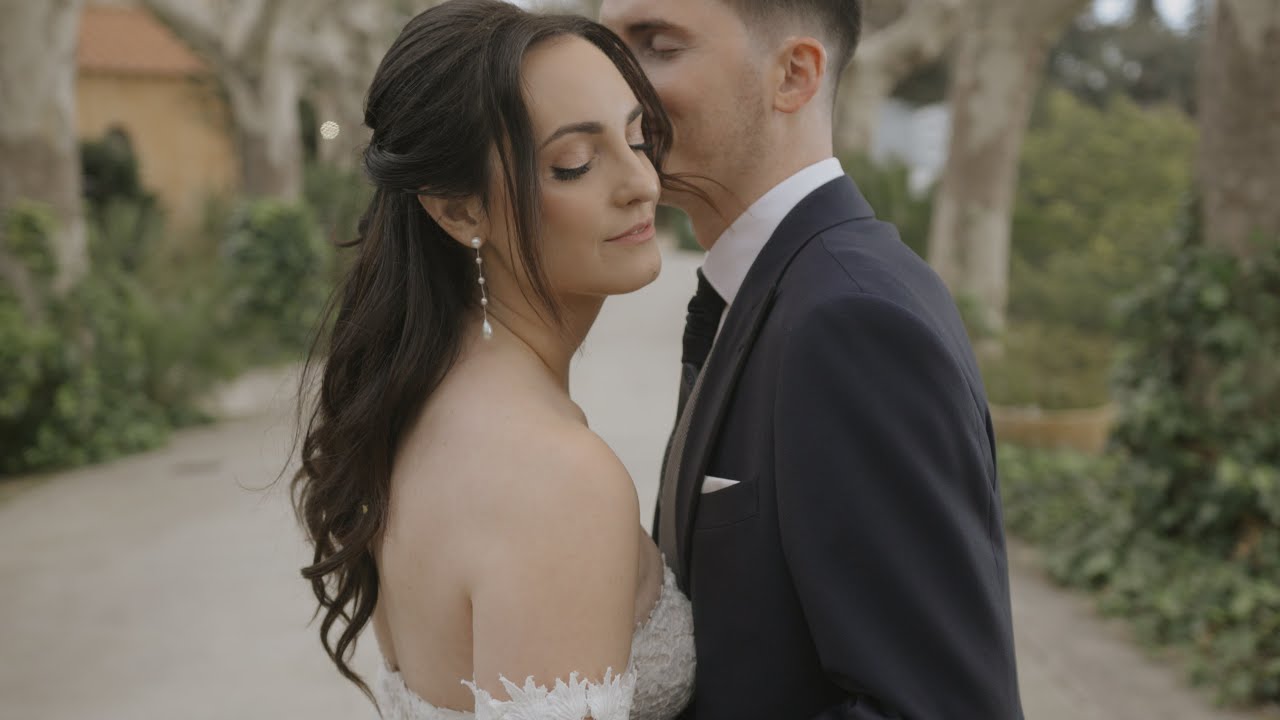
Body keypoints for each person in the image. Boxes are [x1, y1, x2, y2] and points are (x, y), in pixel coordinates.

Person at [600, 1, 1026, 718]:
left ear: (793, 75)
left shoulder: (852, 319)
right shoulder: (780, 286)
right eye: (608, 47)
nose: (614, 84)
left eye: (656, 46)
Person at [292, 2, 696, 718]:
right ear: (458, 210)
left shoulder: (416, 409)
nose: (642, 184)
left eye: (638, 140)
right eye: (574, 164)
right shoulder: (555, 475)